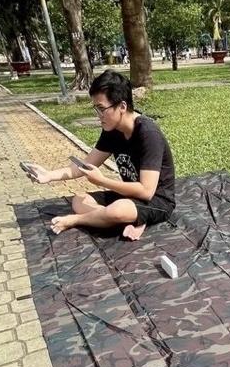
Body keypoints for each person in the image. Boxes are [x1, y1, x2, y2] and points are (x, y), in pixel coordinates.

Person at [25, 69, 176, 241]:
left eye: (102, 109)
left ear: (122, 106)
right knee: (79, 200)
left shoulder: (148, 133)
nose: (99, 116)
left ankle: (80, 220)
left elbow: (147, 191)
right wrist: (48, 175)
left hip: (157, 201)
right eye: (96, 109)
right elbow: (84, 166)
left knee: (117, 210)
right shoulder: (112, 130)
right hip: (130, 197)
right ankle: (122, 219)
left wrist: (102, 181)